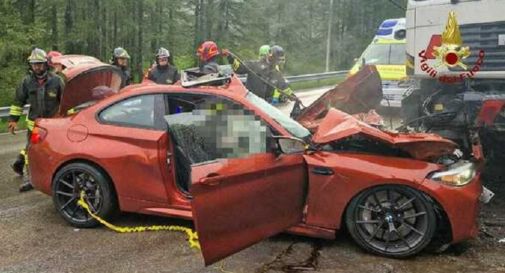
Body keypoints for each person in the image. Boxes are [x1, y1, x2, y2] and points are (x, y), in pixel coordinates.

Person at [8, 48, 65, 192]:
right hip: (34, 125)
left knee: (52, 151)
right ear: (30, 65)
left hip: (52, 126)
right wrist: (13, 120)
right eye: (34, 64)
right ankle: (31, 179)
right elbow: (18, 102)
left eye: (39, 64)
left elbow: (65, 102)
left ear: (46, 63)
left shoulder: (57, 81)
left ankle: (55, 177)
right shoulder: (26, 82)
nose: (37, 67)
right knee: (31, 152)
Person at [225, 45, 295, 104]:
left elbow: (284, 87)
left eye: (280, 60)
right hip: (251, 103)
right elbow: (239, 69)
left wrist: (293, 97)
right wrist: (230, 58)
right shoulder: (254, 65)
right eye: (278, 60)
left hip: (265, 105)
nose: (279, 62)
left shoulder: (276, 73)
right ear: (271, 57)